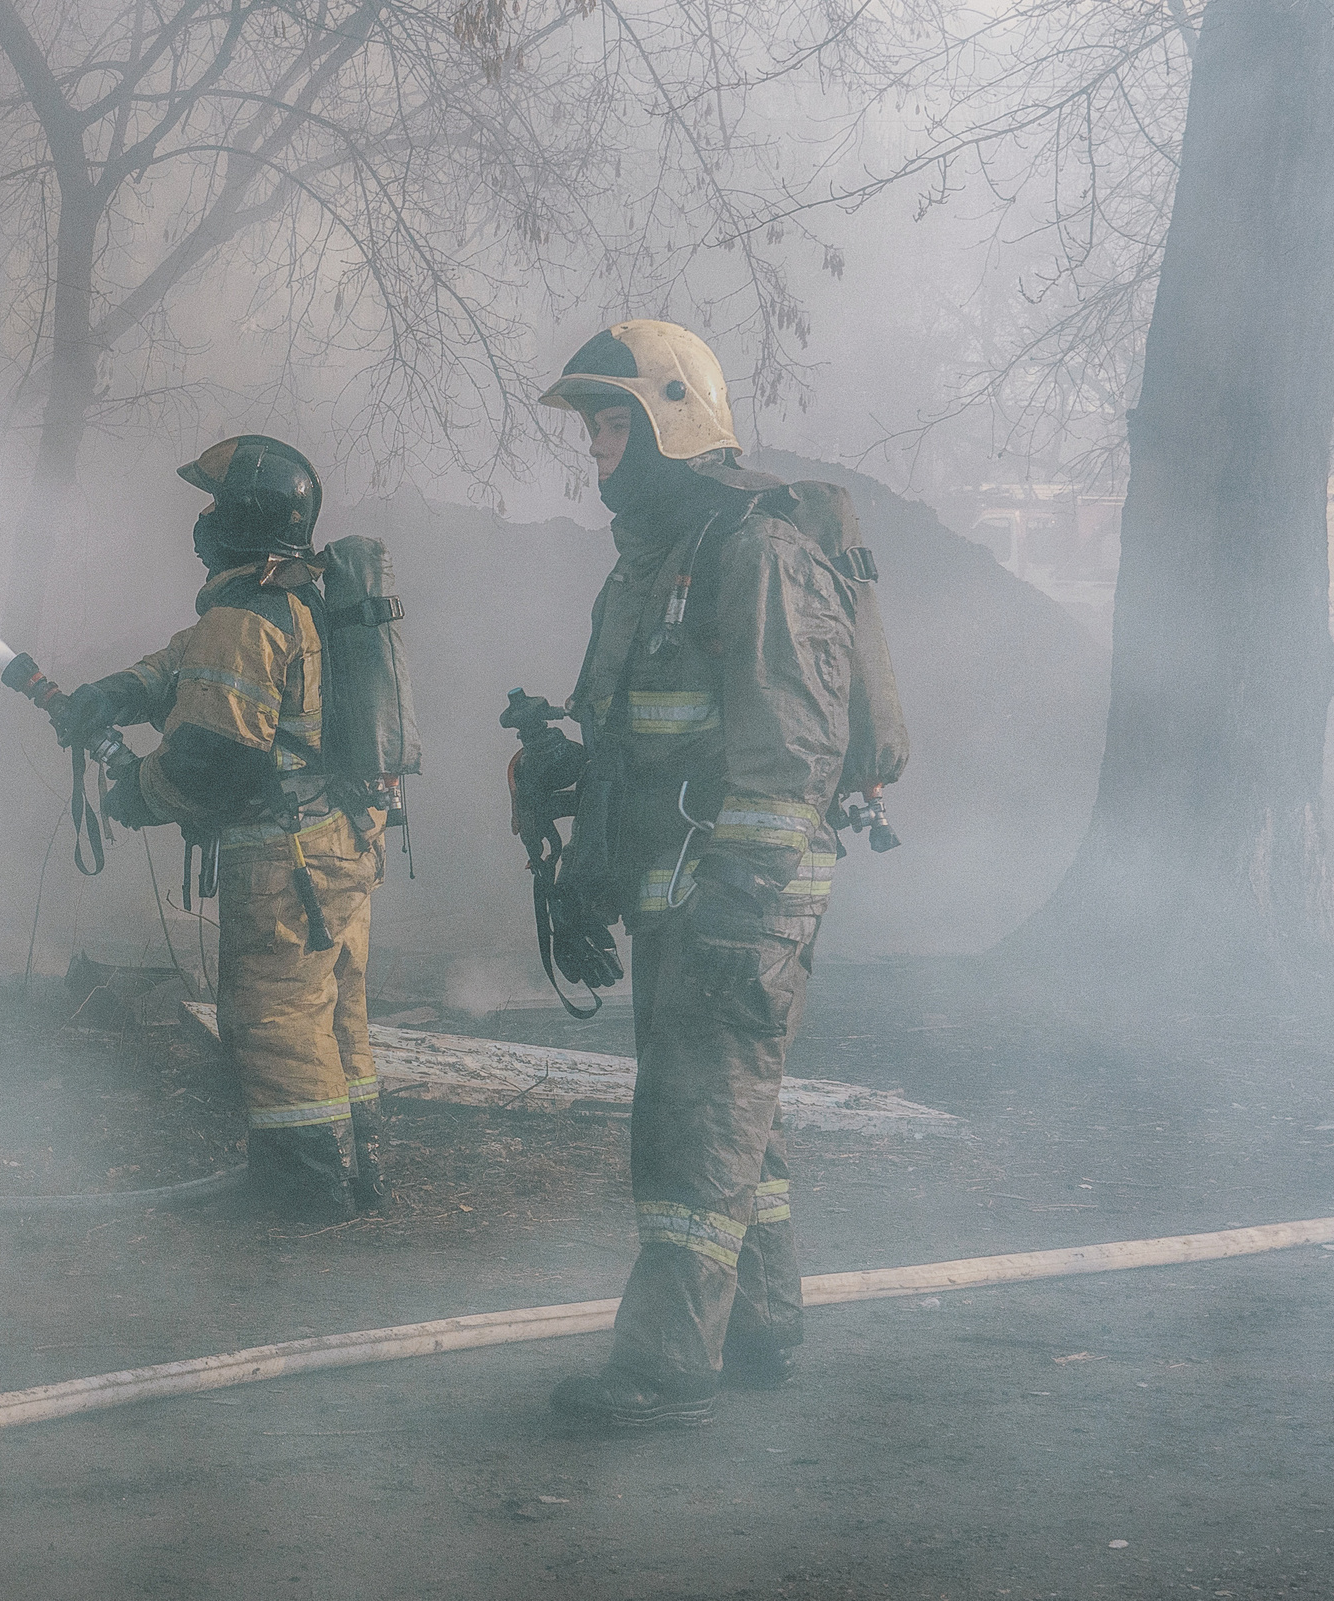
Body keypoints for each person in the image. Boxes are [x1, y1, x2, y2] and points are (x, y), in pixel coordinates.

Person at [520, 321, 860, 1428]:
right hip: (680, 893)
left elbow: (791, 748)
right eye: (594, 428)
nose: (598, 450)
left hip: (738, 895)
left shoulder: (754, 550)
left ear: (672, 420)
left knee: (688, 1124)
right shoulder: (647, 564)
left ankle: (664, 1365)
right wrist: (575, 808)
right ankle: (758, 1324)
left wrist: (743, 906)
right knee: (730, 1124)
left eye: (613, 423)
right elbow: (639, 735)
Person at [47, 436, 389, 1224]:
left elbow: (214, 756)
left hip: (284, 861)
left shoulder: (247, 614)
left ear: (242, 513)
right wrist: (110, 694)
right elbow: (181, 666)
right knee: (337, 1017)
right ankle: (360, 1171)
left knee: (276, 1024)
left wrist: (138, 790)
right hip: (340, 842)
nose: (201, 517)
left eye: (212, 501)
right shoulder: (301, 595)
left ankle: (304, 1194)